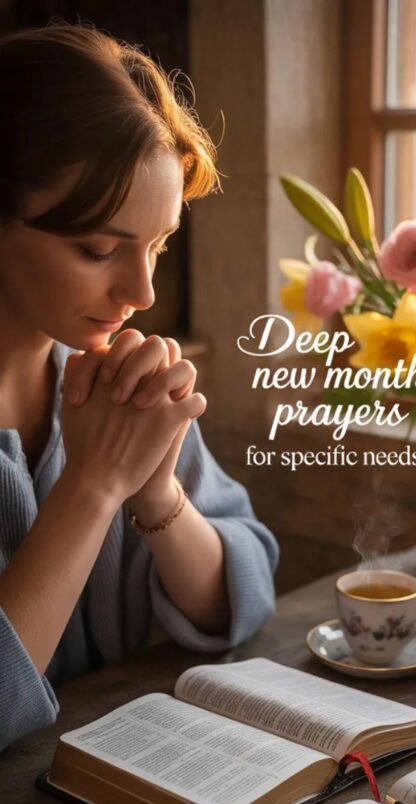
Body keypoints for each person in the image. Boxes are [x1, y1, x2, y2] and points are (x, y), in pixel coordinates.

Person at [0, 24, 278, 751]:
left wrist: (157, 493)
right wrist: (94, 485)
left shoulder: (105, 379)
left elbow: (243, 593)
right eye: (98, 249)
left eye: (158, 245)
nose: (143, 291)